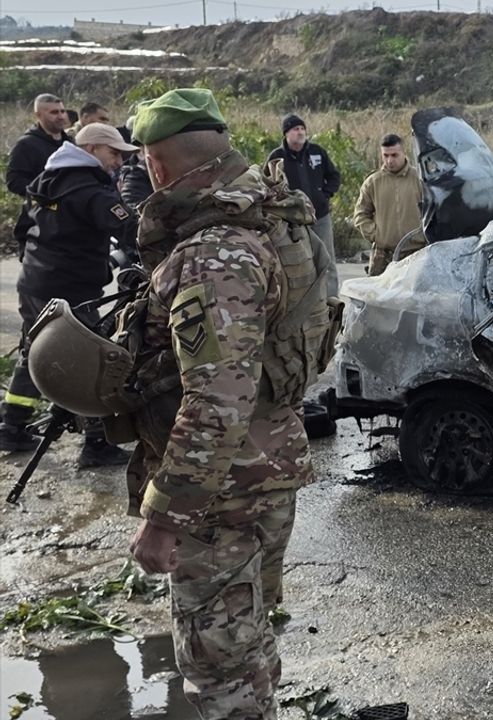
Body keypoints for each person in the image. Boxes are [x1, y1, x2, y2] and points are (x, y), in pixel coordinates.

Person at [125, 87, 317, 718]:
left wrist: (164, 515)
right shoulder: (265, 214)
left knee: (220, 668)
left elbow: (217, 402)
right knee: (249, 642)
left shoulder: (214, 254)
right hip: (265, 469)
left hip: (223, 493)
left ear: (158, 165)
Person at [0, 123, 137, 465]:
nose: (119, 161)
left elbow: (22, 229)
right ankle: (96, 443)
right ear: (91, 149)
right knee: (90, 361)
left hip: (34, 283)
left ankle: (12, 426)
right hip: (71, 292)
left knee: (36, 351)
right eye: (114, 152)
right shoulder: (90, 190)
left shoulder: (46, 180)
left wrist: (39, 261)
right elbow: (130, 229)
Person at [268, 114, 341, 289]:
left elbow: (334, 176)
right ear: (286, 133)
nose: (300, 132)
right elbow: (268, 184)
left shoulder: (317, 152)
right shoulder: (277, 157)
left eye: (302, 129)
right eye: (295, 129)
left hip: (320, 217)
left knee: (327, 260)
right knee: (296, 262)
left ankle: (331, 303)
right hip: (292, 221)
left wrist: (324, 195)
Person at [353, 133, 425, 276]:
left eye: (394, 155)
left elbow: (435, 212)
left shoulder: (420, 179)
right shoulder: (373, 182)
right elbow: (360, 215)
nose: (390, 160)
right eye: (385, 156)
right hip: (383, 256)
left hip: (417, 253)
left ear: (404, 152)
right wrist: (377, 234)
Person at [6, 94, 71, 246]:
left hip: (69, 221)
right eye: (54, 112)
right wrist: (44, 193)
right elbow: (14, 181)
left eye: (62, 111)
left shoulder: (70, 144)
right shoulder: (26, 145)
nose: (61, 116)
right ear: (38, 115)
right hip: (38, 221)